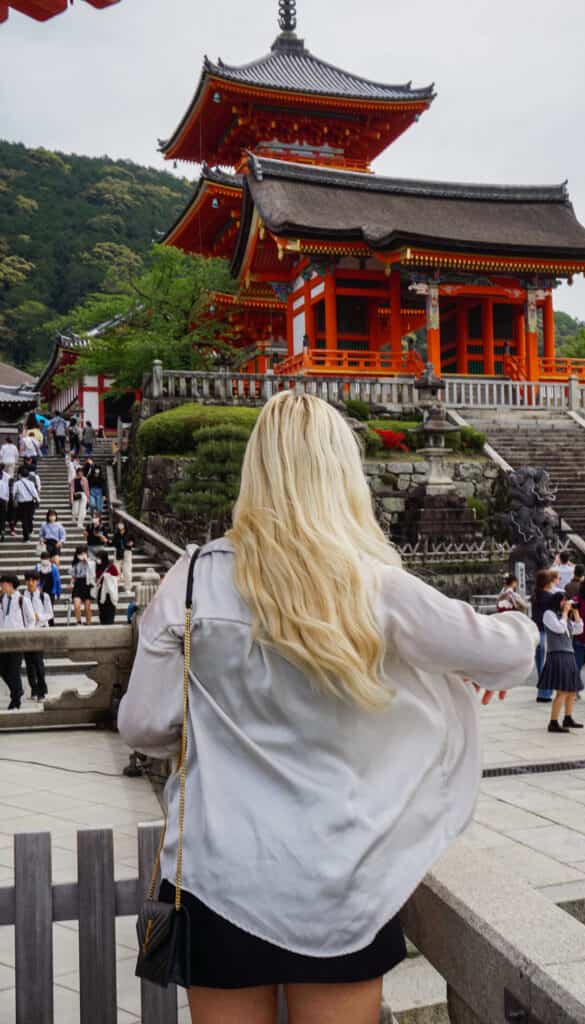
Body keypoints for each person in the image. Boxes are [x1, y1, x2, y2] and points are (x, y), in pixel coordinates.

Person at [118, 391, 538, 1022]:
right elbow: (506, 657)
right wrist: (518, 622)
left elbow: (143, 724)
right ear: (342, 474)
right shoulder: (373, 585)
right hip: (337, 877)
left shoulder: (193, 575)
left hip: (218, 873)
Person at [539, 591, 584, 732]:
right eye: (564, 601)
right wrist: (565, 613)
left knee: (571, 690)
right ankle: (553, 722)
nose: (566, 604)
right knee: (562, 690)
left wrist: (576, 613)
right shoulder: (549, 614)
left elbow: (579, 630)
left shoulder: (563, 617)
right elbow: (559, 629)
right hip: (557, 654)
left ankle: (568, 717)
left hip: (569, 654)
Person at [0, 573, 36, 708]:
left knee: (13, 671)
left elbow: (32, 619)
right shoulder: (2, 599)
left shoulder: (22, 600)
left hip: (17, 641)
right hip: (3, 640)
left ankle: (15, 700)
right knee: (3, 670)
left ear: (9, 585)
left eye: (2, 584)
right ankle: (18, 690)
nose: (1, 587)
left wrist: (26, 635)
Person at [23, 571, 51, 700]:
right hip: (26, 632)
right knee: (29, 664)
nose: (30, 583)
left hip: (40, 631)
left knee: (38, 662)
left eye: (33, 580)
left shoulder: (43, 596)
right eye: (28, 580)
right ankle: (33, 689)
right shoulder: (22, 596)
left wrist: (38, 616)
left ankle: (42, 690)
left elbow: (50, 614)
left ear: (37, 581)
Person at [532, 570, 556, 702]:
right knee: (546, 665)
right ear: (547, 583)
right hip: (545, 632)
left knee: (540, 664)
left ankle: (542, 691)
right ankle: (544, 693)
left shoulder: (535, 595)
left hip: (536, 632)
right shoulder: (549, 597)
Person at [14, 465, 39, 543]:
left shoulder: (17, 483)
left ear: (20, 475)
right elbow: (35, 493)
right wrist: (38, 501)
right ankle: (30, 531)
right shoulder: (31, 483)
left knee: (24, 520)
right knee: (29, 518)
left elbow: (13, 493)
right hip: (30, 503)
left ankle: (26, 538)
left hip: (22, 504)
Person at [71, 546, 95, 626]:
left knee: (87, 607)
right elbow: (74, 575)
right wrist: (71, 583)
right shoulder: (75, 563)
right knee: (76, 604)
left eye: (84, 553)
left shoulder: (90, 562)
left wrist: (87, 561)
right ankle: (78, 621)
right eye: (80, 553)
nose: (82, 555)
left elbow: (93, 573)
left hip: (87, 583)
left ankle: (88, 622)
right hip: (78, 584)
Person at [95, 551, 119, 625]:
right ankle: (103, 622)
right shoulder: (97, 566)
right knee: (102, 607)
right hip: (100, 590)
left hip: (109, 591)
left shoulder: (111, 566)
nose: (97, 560)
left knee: (110, 608)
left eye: (99, 558)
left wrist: (107, 577)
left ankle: (109, 622)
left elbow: (117, 577)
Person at [37, 551, 60, 622]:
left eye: (46, 558)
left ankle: (51, 621)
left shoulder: (53, 567)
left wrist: (58, 592)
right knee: (41, 606)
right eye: (43, 558)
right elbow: (36, 579)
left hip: (51, 590)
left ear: (49, 559)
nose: (44, 560)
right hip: (41, 590)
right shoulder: (38, 567)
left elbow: (57, 581)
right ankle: (43, 621)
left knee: (50, 607)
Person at [113, 519, 134, 593]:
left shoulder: (129, 533)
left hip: (127, 552)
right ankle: (115, 587)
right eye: (119, 524)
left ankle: (128, 588)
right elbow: (113, 543)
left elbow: (133, 542)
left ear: (124, 525)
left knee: (127, 571)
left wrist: (131, 544)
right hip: (118, 552)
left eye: (121, 524)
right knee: (116, 570)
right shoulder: (116, 534)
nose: (120, 525)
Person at [0, 467, 12, 541]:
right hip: (3, 502)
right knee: (2, 518)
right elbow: (7, 494)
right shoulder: (4, 483)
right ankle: (2, 531)